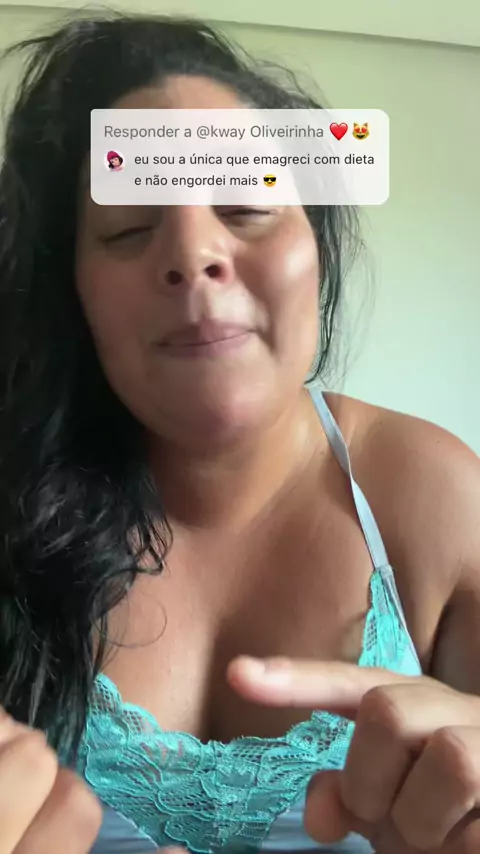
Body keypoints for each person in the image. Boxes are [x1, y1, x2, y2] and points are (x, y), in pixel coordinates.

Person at [0, 13, 479, 854]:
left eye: (247, 205)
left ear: (316, 246)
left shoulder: (433, 495)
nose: (193, 255)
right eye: (129, 226)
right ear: (72, 292)